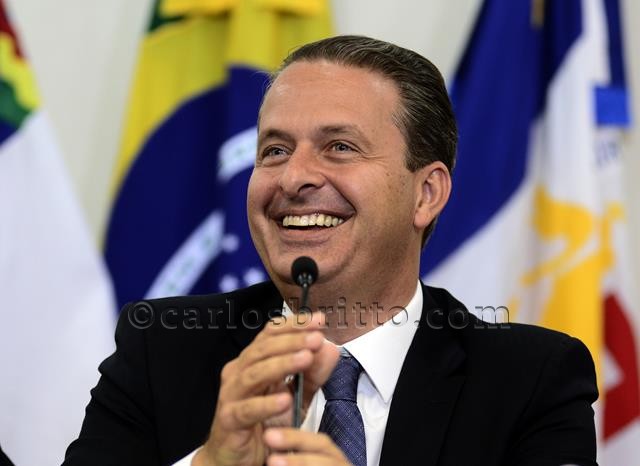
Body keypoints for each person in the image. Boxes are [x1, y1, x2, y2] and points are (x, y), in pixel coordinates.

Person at [64, 35, 597, 466]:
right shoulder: (162, 350)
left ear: (426, 194)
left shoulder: (530, 379)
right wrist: (211, 463)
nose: (293, 177)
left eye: (339, 147)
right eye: (275, 150)